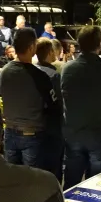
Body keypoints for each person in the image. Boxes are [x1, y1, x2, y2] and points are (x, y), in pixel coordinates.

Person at [60, 26, 101, 188]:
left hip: (73, 134)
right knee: (98, 185)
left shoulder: (67, 69)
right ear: (99, 45)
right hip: (100, 136)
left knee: (71, 183)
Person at [0, 28, 61, 172]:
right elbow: (54, 106)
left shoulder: (4, 72)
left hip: (9, 132)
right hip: (32, 135)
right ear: (32, 47)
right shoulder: (39, 76)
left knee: (12, 177)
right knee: (32, 178)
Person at [35, 38, 63, 181]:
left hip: (36, 123)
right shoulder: (53, 75)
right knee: (54, 165)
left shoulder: (32, 71)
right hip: (52, 125)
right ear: (51, 52)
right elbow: (58, 102)